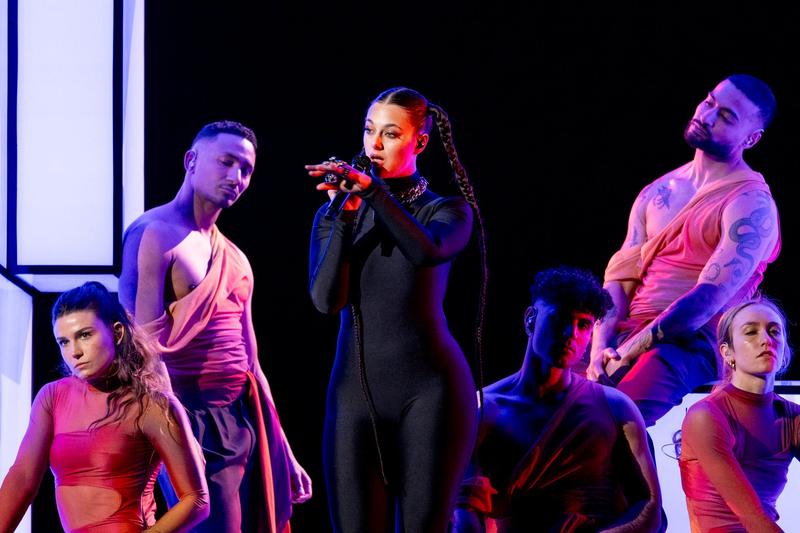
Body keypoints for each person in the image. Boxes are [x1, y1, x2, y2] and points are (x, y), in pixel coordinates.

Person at [307, 86, 488, 532]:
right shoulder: (336, 212)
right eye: (370, 131)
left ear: (419, 143)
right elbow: (326, 301)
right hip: (352, 397)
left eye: (390, 134)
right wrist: (345, 216)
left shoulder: (447, 210)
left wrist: (373, 194)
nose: (374, 145)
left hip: (431, 394)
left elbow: (425, 251)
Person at [119, 120, 310, 533]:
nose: (236, 177)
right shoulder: (155, 234)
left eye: (246, 169)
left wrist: (285, 451)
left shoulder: (237, 259)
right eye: (226, 162)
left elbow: (252, 365)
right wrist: (179, 437)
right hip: (186, 414)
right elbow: (143, 349)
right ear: (191, 161)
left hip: (242, 419)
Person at [587, 74, 782, 427]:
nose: (707, 117)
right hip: (626, 335)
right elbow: (619, 279)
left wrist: (630, 351)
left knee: (608, 419)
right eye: (709, 103)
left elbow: (704, 301)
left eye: (726, 117)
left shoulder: (751, 204)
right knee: (534, 395)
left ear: (751, 138)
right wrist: (600, 344)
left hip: (687, 344)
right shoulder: (657, 191)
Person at [453, 267, 662, 532]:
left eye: (583, 324)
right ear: (531, 319)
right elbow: (464, 508)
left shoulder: (616, 408)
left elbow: (649, 508)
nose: (570, 334)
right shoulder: (482, 409)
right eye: (559, 319)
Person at [0, 282, 208, 533]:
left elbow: (197, 499)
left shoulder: (151, 404)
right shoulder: (52, 397)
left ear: (117, 333)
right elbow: (22, 477)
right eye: (63, 342)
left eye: (85, 335)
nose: (74, 352)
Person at [679, 297, 797, 532]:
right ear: (727, 352)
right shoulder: (706, 415)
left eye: (774, 331)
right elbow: (751, 517)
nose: (766, 340)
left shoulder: (792, 416)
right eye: (751, 332)